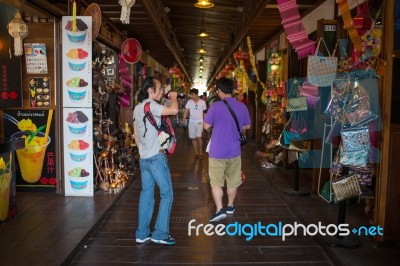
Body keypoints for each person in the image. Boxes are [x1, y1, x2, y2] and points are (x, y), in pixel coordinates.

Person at [133, 77, 178, 245]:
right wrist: (173, 97)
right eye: (159, 89)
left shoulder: (137, 108)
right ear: (150, 91)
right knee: (167, 194)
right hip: (156, 158)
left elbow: (136, 134)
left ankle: (142, 233)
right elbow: (173, 111)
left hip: (144, 158)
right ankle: (160, 234)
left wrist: (142, 151)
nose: (162, 91)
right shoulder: (152, 105)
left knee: (146, 195)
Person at [204, 77, 251, 222]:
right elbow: (247, 126)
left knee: (216, 182)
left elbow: (206, 126)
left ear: (219, 91)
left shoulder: (215, 106)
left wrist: (218, 125)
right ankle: (230, 206)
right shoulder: (242, 106)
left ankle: (219, 209)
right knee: (233, 180)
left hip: (217, 151)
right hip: (234, 151)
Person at [181, 88, 207, 159]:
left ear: (196, 94)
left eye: (192, 95)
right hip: (192, 122)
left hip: (200, 122)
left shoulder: (202, 102)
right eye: (191, 95)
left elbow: (205, 113)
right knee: (193, 138)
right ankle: (196, 152)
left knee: (199, 137)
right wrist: (183, 118)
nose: (191, 97)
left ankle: (200, 152)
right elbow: (186, 111)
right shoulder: (189, 102)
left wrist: (206, 122)